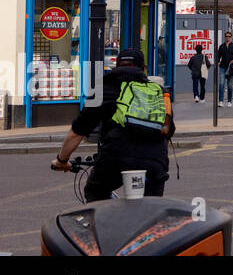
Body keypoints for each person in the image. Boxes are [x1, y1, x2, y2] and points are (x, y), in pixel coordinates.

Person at [51, 49, 174, 199]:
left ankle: (110, 221)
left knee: (95, 192)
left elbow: (77, 132)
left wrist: (62, 161)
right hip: (155, 162)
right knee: (152, 210)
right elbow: (168, 130)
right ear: (144, 69)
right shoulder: (159, 92)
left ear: (116, 66)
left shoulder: (102, 89)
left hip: (115, 158)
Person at [216, 31, 233, 107]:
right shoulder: (221, 46)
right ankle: (221, 101)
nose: (228, 37)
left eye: (229, 36)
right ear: (225, 37)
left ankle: (229, 101)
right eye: (226, 36)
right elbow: (218, 56)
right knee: (221, 84)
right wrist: (218, 62)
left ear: (231, 37)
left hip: (231, 68)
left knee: (229, 85)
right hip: (223, 67)